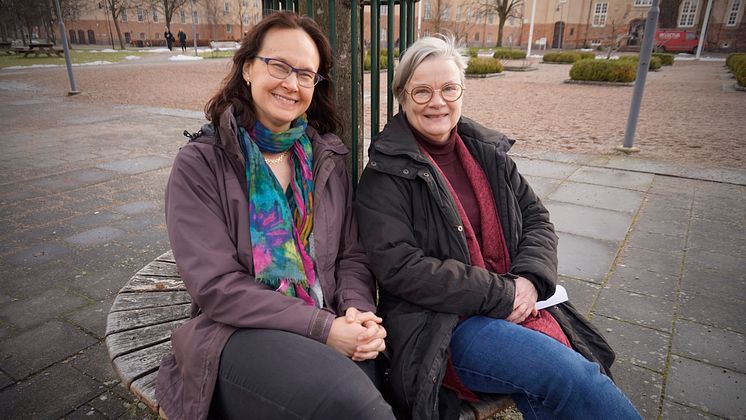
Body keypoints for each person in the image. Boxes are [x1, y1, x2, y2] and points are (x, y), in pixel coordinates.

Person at [355, 35, 642, 420]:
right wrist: (503, 293)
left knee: (561, 381)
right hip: (440, 326)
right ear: (402, 97)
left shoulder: (487, 152)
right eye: (421, 91)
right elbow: (402, 269)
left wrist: (529, 278)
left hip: (513, 297)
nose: (437, 101)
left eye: (448, 88)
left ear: (462, 92)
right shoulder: (384, 175)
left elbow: (537, 219)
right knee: (570, 376)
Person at [155, 11, 393, 420]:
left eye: (306, 74)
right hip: (238, 334)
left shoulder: (326, 157)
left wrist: (357, 311)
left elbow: (352, 257)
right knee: (358, 409)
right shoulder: (201, 164)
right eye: (279, 66)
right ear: (247, 68)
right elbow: (216, 287)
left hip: (331, 318)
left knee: (378, 392)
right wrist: (323, 328)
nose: (291, 84)